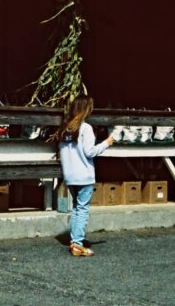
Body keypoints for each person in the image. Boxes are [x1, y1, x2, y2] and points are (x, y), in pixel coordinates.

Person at [56, 95, 115, 256]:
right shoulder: (85, 128)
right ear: (86, 109)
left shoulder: (65, 128)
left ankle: (75, 239)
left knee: (76, 207)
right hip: (84, 174)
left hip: (70, 174)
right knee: (82, 209)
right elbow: (90, 152)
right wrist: (106, 143)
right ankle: (77, 242)